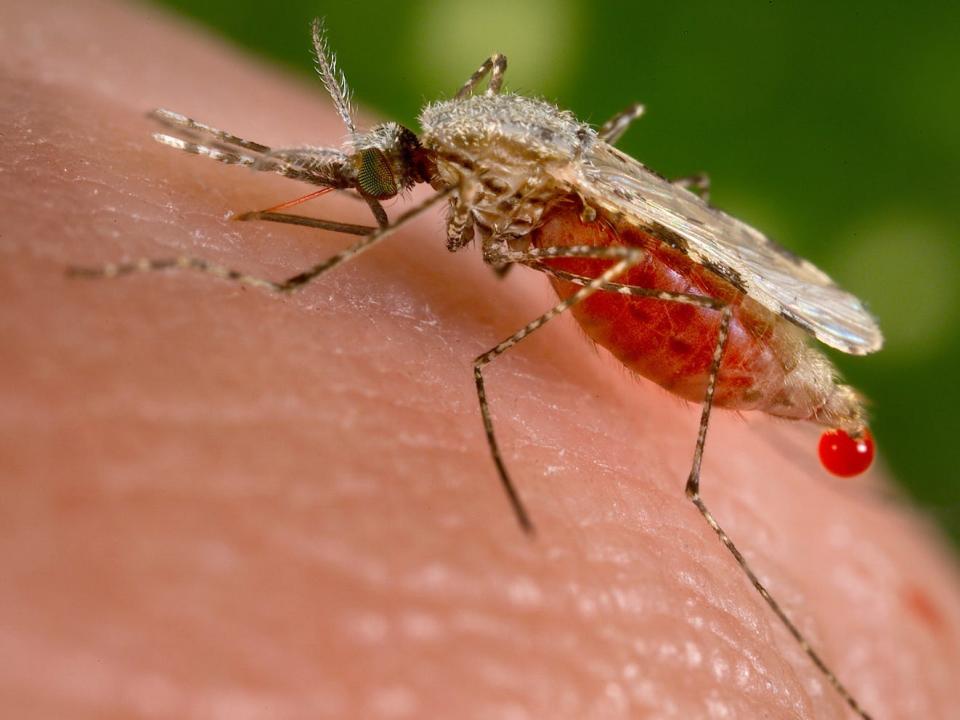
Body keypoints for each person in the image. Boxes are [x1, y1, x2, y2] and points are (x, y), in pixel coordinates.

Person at [3, 0, 959, 717]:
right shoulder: (455, 144)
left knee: (616, 268)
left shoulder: (468, 158)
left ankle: (711, 509)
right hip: (599, 225)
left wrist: (486, 356)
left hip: (642, 260)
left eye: (375, 175)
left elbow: (564, 214)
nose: (376, 183)